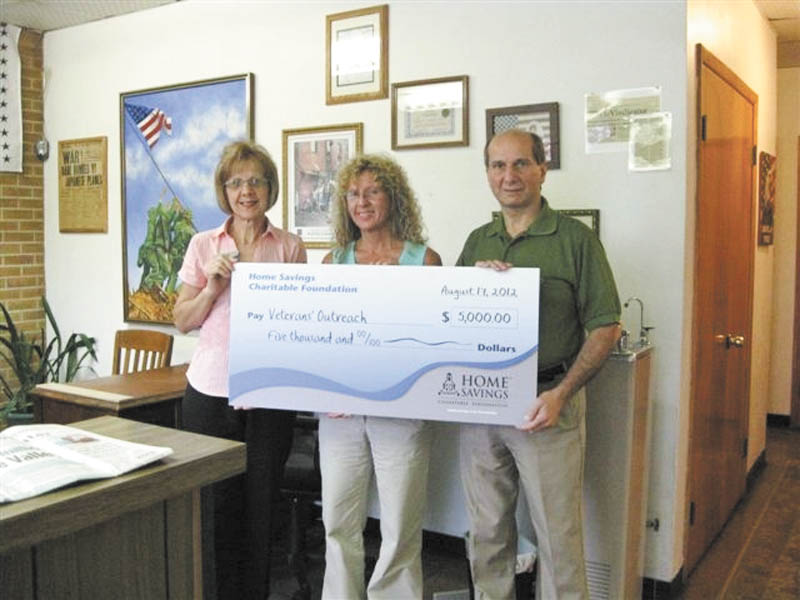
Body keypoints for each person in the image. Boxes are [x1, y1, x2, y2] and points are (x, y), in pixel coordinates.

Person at [457, 129, 621, 599]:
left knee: (558, 538)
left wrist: (561, 394)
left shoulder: (575, 239)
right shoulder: (476, 240)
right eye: (497, 166)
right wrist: (472, 286)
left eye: (521, 164)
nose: (509, 176)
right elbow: (452, 323)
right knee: (487, 532)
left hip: (547, 404)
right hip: (483, 407)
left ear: (542, 170)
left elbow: (605, 327)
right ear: (487, 173)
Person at [174, 140, 307, 600]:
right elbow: (183, 320)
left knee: (261, 507)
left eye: (255, 181)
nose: (246, 190)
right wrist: (211, 287)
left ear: (270, 187)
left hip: (269, 396)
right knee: (215, 505)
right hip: (209, 392)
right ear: (224, 190)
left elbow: (297, 323)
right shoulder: (203, 244)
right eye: (236, 182)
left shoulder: (289, 247)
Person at [319, 154, 442, 599]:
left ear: (393, 197)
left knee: (400, 522)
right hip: (342, 414)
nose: (362, 202)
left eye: (372, 191)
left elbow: (436, 338)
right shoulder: (333, 262)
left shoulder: (423, 259)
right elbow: (323, 338)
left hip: (400, 410)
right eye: (353, 193)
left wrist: (401, 295)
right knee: (337, 517)